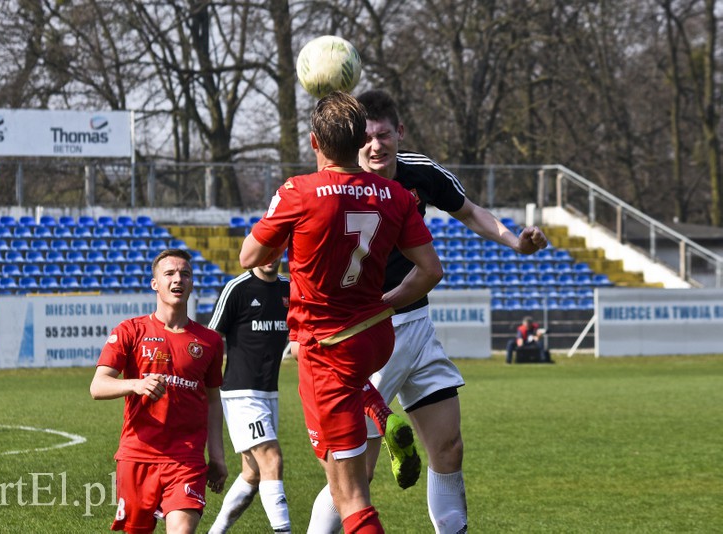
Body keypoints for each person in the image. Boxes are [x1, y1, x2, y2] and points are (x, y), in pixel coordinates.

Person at [308, 89, 549, 534]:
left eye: (383, 135)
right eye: (366, 137)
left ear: (399, 132)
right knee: (357, 472)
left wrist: (518, 242)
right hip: (368, 336)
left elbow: (471, 212)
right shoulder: (338, 187)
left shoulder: (420, 173)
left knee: (448, 446)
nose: (375, 145)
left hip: (417, 326)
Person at [240, 91, 443, 534]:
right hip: (376, 336)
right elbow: (431, 270)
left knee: (349, 496)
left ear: (315, 142)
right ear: (358, 142)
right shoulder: (394, 193)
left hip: (327, 345)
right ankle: (384, 416)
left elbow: (249, 255)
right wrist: (387, 302)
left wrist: (283, 235)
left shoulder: (298, 191)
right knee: (353, 397)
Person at [90, 248, 228, 534]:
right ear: (155, 283)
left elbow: (214, 401)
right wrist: (135, 384)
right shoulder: (130, 330)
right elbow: (98, 385)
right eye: (170, 274)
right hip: (138, 455)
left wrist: (216, 456)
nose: (178, 279)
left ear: (191, 283)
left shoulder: (210, 341)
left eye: (185, 274)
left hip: (186, 459)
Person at [206, 257, 292, 533]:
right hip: (241, 392)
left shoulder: (289, 289)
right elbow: (210, 338)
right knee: (272, 459)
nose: (269, 257)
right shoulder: (237, 288)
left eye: (275, 249)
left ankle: (215, 531)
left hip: (269, 392)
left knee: (253, 473)